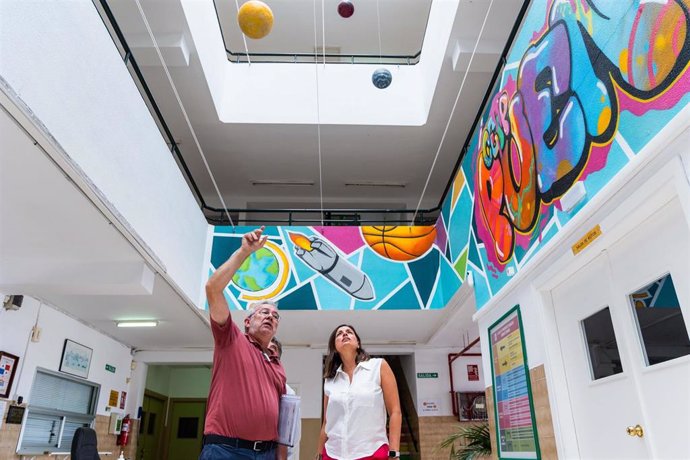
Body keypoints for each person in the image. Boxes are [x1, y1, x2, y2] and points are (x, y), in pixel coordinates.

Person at [201, 226, 287, 460]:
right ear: (247, 322)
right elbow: (213, 289)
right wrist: (244, 252)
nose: (270, 316)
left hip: (267, 452)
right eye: (263, 312)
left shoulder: (276, 363)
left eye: (275, 316)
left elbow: (284, 415)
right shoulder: (231, 339)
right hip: (226, 451)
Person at [317, 324, 402, 460]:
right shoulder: (330, 380)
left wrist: (394, 453)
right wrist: (319, 454)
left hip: (371, 453)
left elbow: (395, 412)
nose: (344, 334)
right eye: (339, 334)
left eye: (349, 332)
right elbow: (327, 422)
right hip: (333, 454)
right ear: (335, 347)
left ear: (358, 343)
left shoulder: (379, 366)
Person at [269, 338, 302, 460]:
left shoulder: (287, 392)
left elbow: (288, 438)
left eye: (272, 349)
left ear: (277, 357)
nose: (267, 351)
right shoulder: (247, 384)